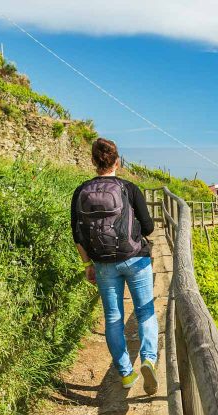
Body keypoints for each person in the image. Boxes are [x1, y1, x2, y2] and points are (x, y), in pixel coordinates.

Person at [71, 138, 159, 394]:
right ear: (117, 161)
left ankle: (125, 373)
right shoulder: (129, 188)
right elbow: (150, 227)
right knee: (145, 312)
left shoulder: (81, 191)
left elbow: (77, 234)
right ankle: (149, 359)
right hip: (135, 258)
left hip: (103, 263)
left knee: (113, 318)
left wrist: (87, 264)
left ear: (93, 162)